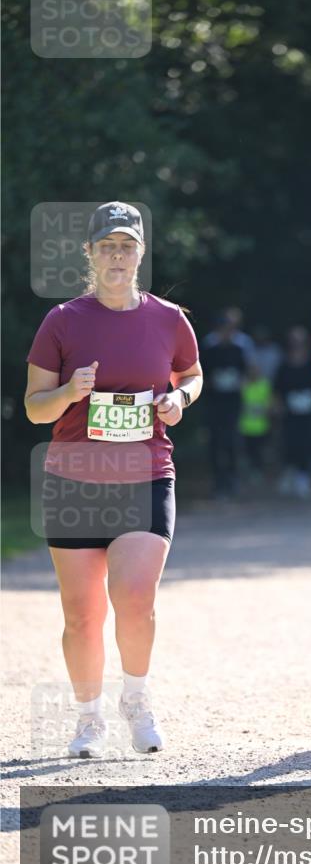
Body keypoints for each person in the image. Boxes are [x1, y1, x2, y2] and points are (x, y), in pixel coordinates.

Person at [24, 202, 202, 758]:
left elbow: (192, 374)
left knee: (135, 596)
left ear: (141, 253)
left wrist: (179, 398)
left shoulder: (169, 318)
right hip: (73, 482)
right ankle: (88, 719)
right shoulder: (63, 321)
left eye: (127, 246)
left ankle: (137, 699)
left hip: (145, 474)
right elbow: (34, 409)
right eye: (108, 246)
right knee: (81, 614)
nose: (117, 255)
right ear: (91, 254)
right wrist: (68, 393)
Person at [274, 325, 311, 499]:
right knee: (290, 442)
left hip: (310, 412)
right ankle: (290, 472)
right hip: (290, 414)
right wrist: (278, 406)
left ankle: (303, 477)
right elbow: (276, 390)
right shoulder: (283, 365)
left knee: (308, 443)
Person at [200, 311, 247, 498]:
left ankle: (233, 479)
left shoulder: (238, 349)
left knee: (232, 441)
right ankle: (218, 481)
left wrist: (235, 382)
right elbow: (201, 376)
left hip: (233, 403)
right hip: (214, 403)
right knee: (215, 442)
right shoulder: (209, 350)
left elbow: (245, 374)